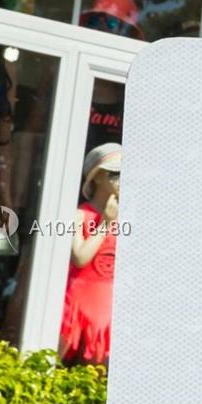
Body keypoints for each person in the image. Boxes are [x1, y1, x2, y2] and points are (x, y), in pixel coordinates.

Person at [58, 143, 121, 365]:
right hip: (77, 301)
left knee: (98, 374)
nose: (121, 180)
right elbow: (80, 258)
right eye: (115, 174)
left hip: (108, 303)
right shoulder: (79, 215)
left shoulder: (126, 220)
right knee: (59, 366)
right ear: (97, 177)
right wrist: (105, 223)